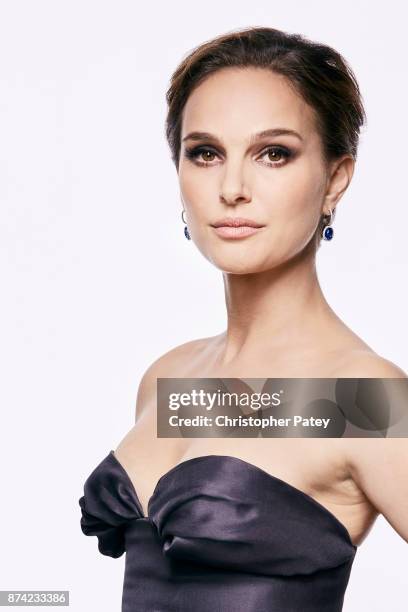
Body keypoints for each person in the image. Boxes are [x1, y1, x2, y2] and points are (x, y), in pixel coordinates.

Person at [79, 26, 408, 611]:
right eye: (205, 153)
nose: (232, 188)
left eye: (274, 154)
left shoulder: (364, 398)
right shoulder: (169, 377)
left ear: (335, 179)